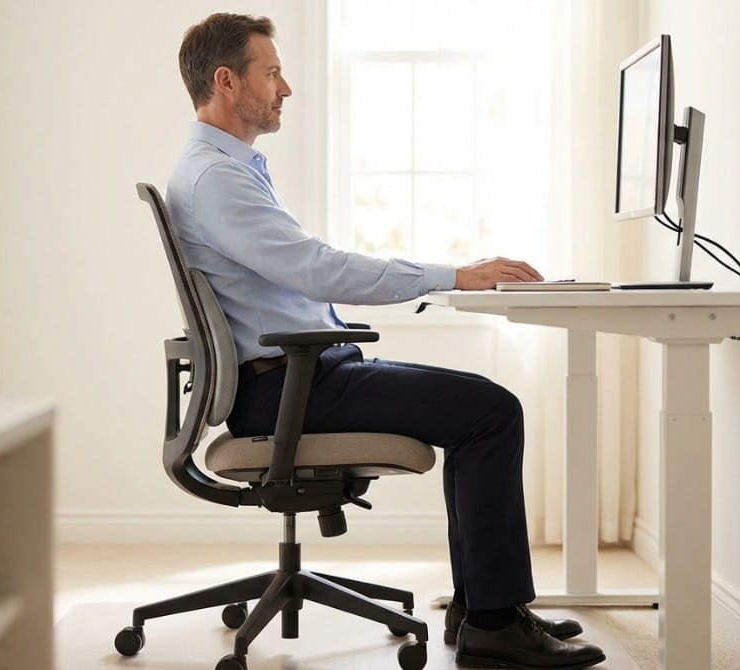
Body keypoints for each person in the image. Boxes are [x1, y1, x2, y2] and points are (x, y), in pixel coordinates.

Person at [166, 12, 606, 670]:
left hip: (300, 375)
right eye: (273, 72)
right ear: (227, 82)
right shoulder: (216, 180)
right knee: (490, 412)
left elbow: (302, 275)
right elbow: (317, 268)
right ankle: (492, 624)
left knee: (475, 410)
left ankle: (486, 607)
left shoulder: (226, 170)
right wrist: (457, 273)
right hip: (289, 388)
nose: (286, 88)